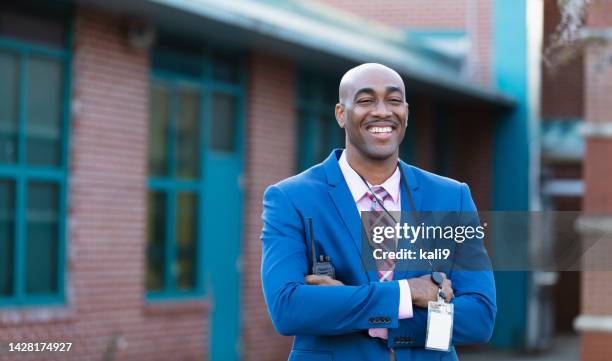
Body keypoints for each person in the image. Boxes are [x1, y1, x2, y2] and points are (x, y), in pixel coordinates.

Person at [260, 63, 496, 361]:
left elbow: (479, 318)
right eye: (365, 100)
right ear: (340, 114)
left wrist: (363, 314)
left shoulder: (451, 197)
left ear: (406, 114)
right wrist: (407, 293)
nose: (383, 111)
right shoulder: (291, 198)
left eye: (394, 100)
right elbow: (288, 309)